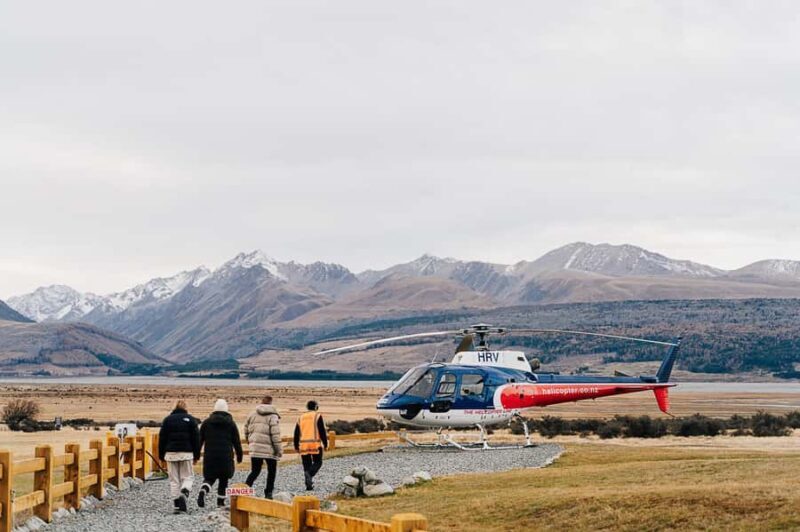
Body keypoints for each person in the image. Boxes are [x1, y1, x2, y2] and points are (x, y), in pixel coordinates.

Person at [198, 399, 243, 508]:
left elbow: (199, 440)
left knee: (210, 477)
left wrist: (196, 454)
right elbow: (236, 441)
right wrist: (239, 455)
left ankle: (204, 489)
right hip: (225, 456)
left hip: (210, 455)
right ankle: (220, 502)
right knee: (223, 479)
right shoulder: (231, 423)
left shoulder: (207, 422)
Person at [158, 399, 201, 513]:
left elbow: (162, 439)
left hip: (170, 454)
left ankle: (177, 505)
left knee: (174, 480)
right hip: (186, 453)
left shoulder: (167, 420)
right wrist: (197, 455)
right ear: (186, 408)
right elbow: (196, 439)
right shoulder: (191, 420)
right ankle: (185, 491)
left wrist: (161, 455)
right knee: (188, 477)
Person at [244, 395, 283, 499]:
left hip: (255, 447)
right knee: (272, 471)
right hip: (270, 449)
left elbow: (246, 430)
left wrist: (250, 441)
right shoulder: (273, 416)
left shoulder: (252, 414)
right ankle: (268, 493)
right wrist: (279, 450)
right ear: (271, 403)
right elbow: (275, 435)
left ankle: (245, 489)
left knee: (255, 471)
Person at [294, 400, 328, 490]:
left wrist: (296, 445)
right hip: (315, 444)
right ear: (316, 407)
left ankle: (308, 485)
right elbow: (322, 431)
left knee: (306, 464)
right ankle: (309, 474)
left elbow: (296, 432)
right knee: (318, 462)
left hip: (303, 445)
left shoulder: (301, 417)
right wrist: (325, 443)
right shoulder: (317, 416)